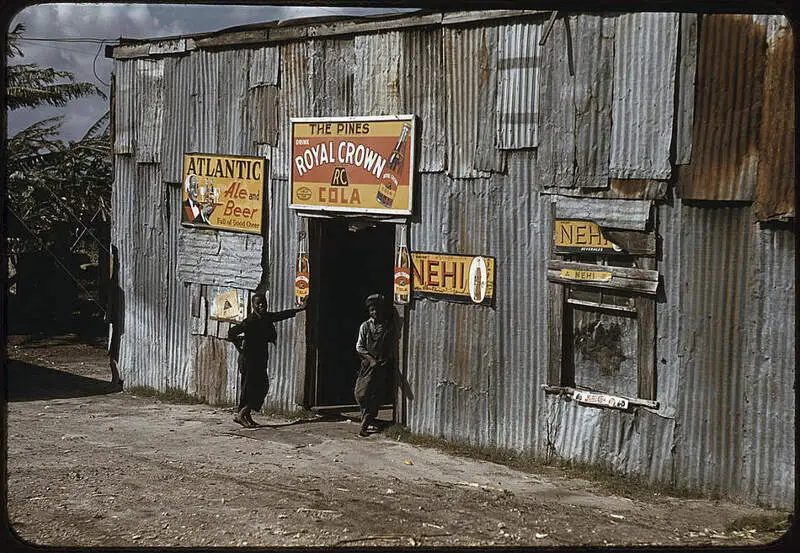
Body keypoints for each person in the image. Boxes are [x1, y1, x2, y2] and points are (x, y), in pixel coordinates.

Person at [227, 292, 304, 428]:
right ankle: (241, 414)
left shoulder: (265, 317)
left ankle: (246, 416)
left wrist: (300, 309)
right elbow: (231, 333)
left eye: (263, 302)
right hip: (249, 360)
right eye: (258, 303)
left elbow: (282, 315)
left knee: (252, 389)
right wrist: (240, 345)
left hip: (259, 359)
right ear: (253, 306)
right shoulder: (250, 321)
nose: (262, 305)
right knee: (259, 387)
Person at [354, 293, 394, 437]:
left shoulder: (387, 327)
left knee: (375, 396)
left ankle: (365, 424)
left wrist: (386, 359)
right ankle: (366, 417)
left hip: (381, 365)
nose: (375, 312)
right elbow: (359, 347)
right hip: (367, 365)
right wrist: (370, 359)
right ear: (369, 311)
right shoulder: (365, 326)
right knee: (361, 394)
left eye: (377, 309)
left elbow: (391, 346)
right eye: (372, 310)